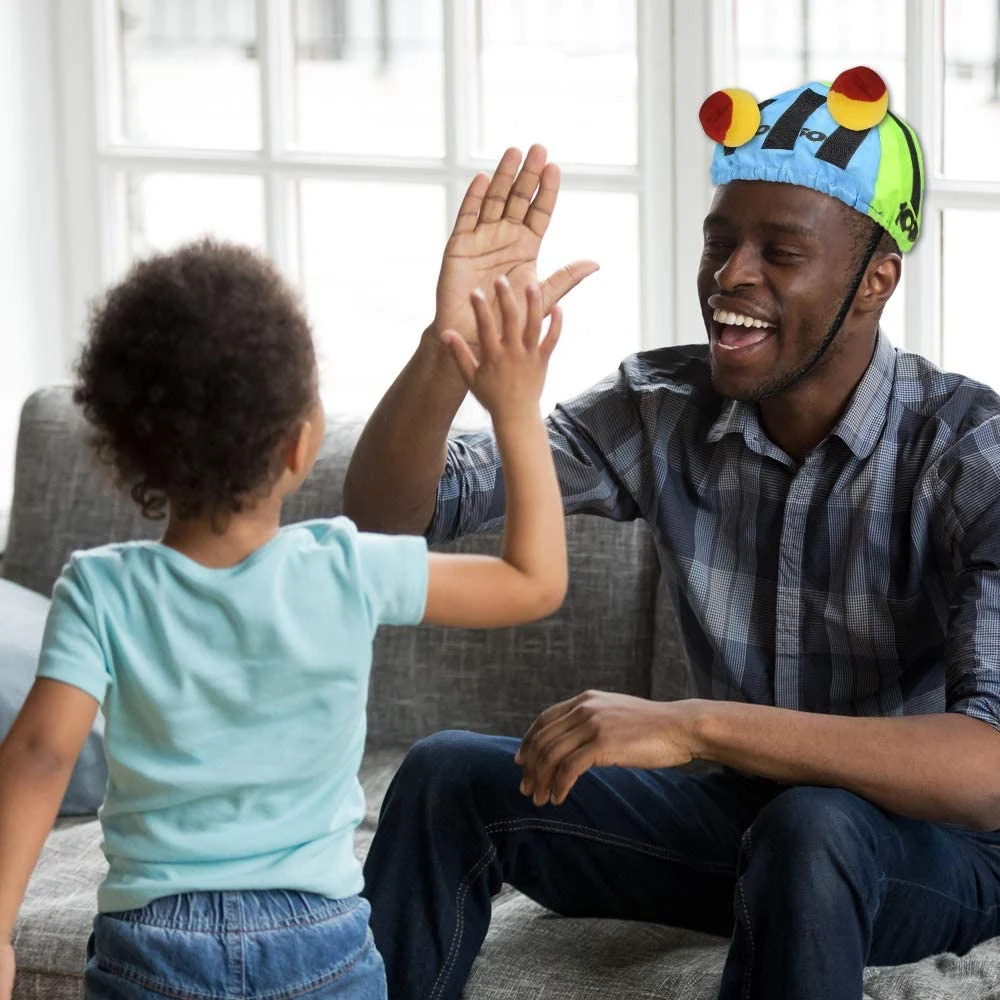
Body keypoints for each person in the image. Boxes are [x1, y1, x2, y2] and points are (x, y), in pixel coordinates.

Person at [345, 74, 1000, 1000]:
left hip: (929, 853)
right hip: (737, 827)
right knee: (448, 775)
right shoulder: (659, 409)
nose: (732, 276)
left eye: (780, 252)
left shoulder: (969, 450)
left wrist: (691, 725)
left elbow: (989, 769)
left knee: (812, 825)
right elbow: (390, 518)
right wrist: (447, 346)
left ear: (875, 280)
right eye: (720, 241)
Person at [0, 239, 569, 1000]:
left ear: (124, 452)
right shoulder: (344, 567)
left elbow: (39, 756)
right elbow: (533, 582)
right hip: (318, 947)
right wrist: (515, 409)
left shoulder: (101, 590)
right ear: (303, 443)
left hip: (151, 949)